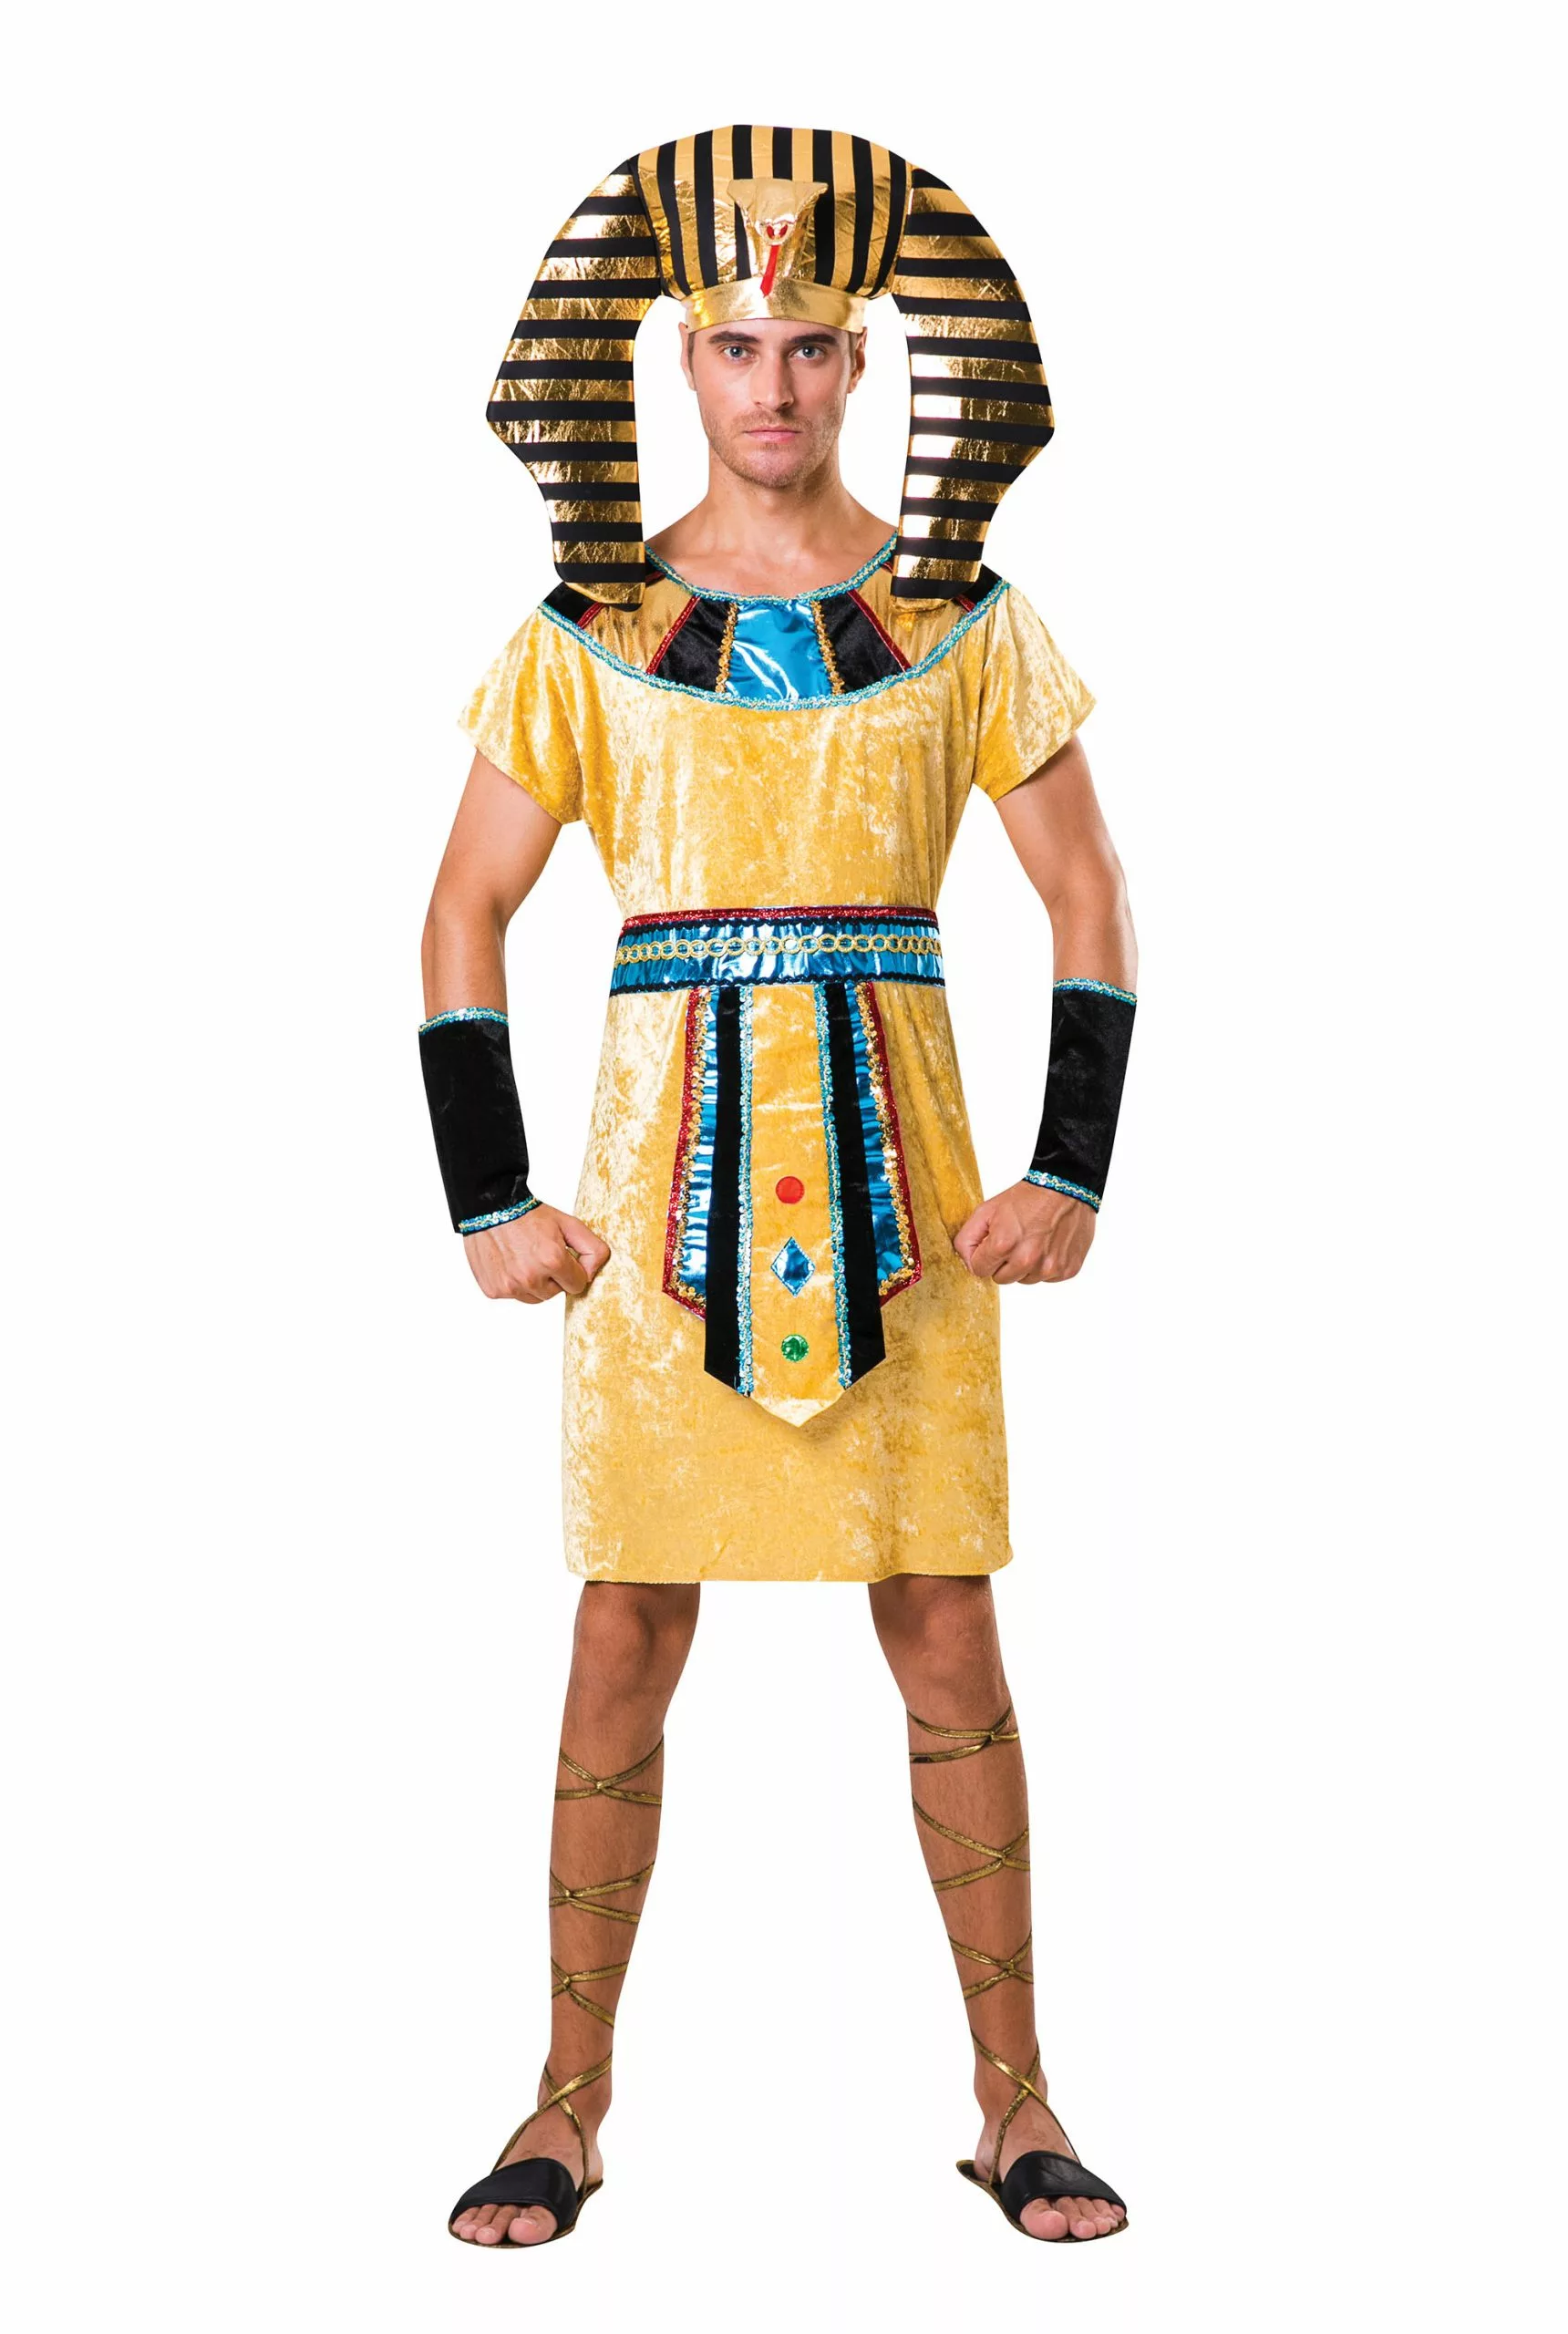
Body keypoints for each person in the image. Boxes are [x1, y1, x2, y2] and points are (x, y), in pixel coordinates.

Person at [420, 127, 1137, 2250]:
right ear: (675, 358)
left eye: (810, 345)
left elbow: (1085, 890)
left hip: (908, 1213)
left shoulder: (960, 623)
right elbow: (462, 907)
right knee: (622, 1628)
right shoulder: (588, 627)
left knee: (946, 1628)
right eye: (733, 344)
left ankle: (1015, 2096)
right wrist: (490, 1193)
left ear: (864, 360)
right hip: (659, 1224)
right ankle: (563, 2099)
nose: (772, 384)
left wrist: (1067, 1162)